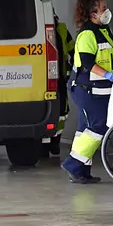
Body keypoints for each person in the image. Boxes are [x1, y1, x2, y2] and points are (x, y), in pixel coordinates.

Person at [61, 0, 113, 184]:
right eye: (103, 8)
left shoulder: (104, 30)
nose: (107, 11)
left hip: (99, 89)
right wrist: (107, 74)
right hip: (87, 89)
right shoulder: (88, 33)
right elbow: (87, 62)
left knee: (84, 130)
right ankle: (73, 164)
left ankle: (81, 171)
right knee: (98, 127)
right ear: (93, 13)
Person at [42, 10, 75, 157]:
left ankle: (55, 141)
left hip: (60, 78)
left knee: (62, 112)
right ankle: (43, 146)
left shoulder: (61, 29)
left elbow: (73, 50)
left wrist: (75, 71)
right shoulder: (39, 29)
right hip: (43, 78)